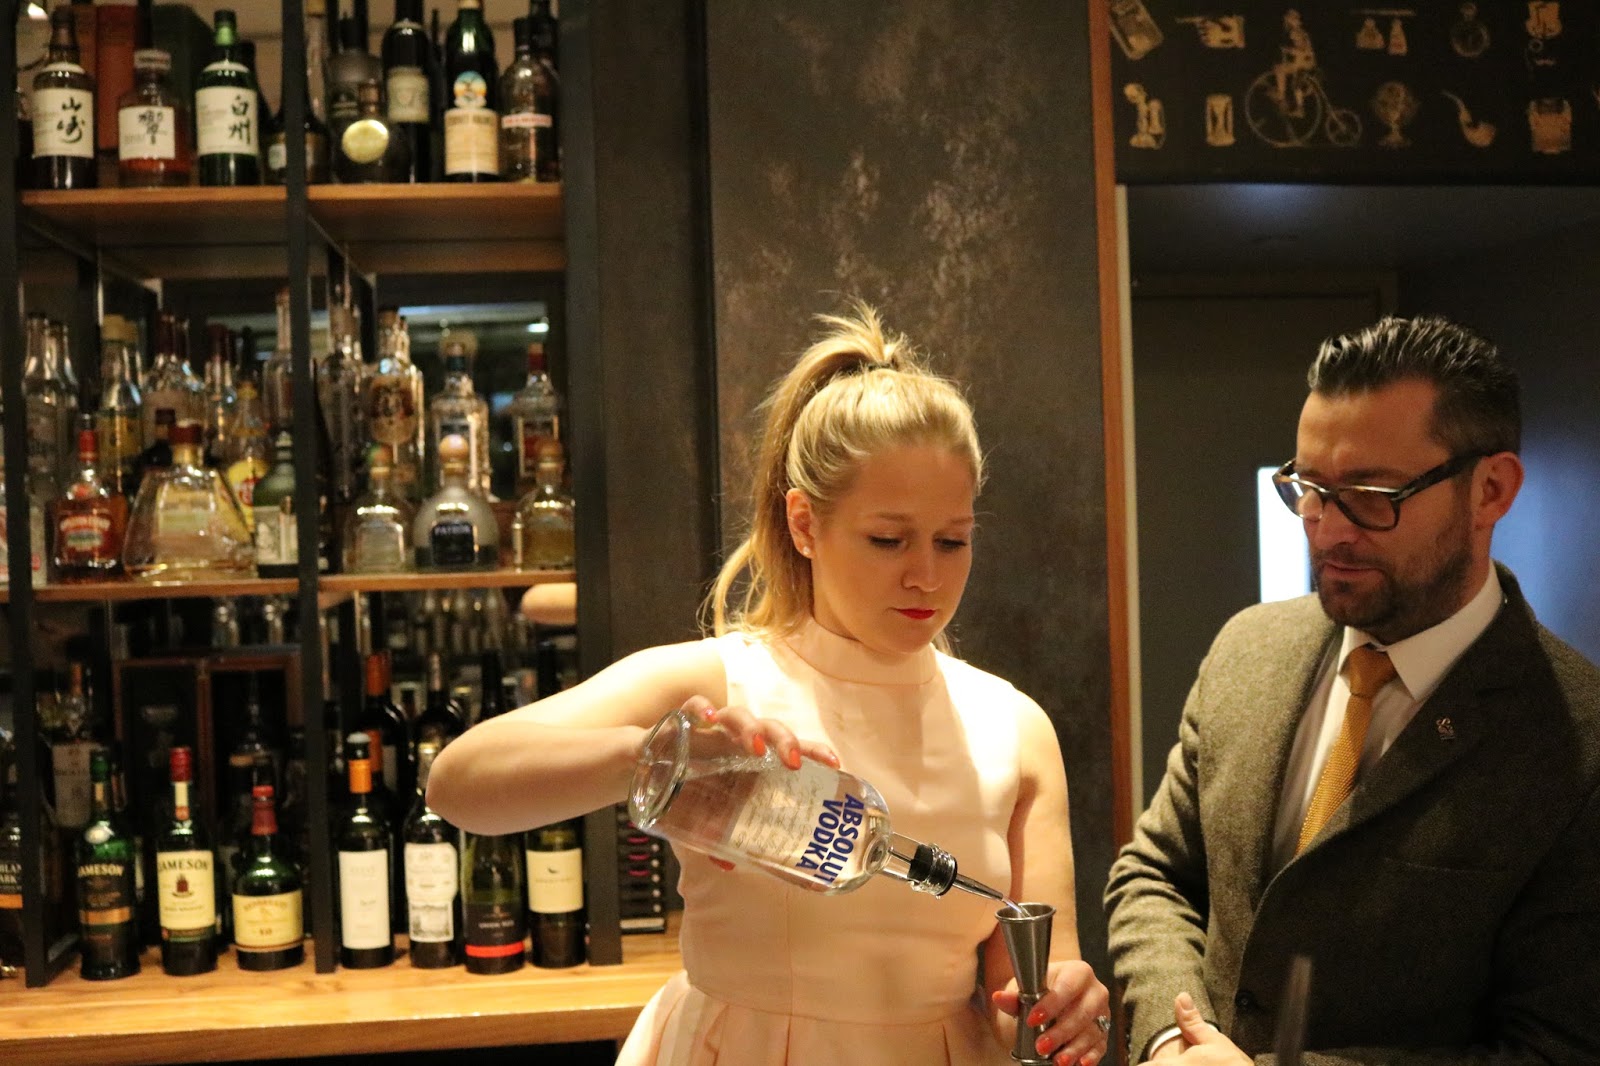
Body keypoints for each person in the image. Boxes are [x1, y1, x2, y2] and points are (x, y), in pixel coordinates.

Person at [429, 305, 1111, 1065]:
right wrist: (657, 759)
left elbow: (1022, 998)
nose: (927, 575)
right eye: (888, 539)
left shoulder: (1014, 728)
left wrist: (1063, 1013)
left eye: (952, 541)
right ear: (805, 524)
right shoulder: (723, 682)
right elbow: (459, 783)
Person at [1105, 315, 1600, 1063]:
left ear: (1491, 490)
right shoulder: (1249, 649)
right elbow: (1156, 876)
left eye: (1372, 494)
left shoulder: (1576, 744)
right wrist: (1174, 1040)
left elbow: (1555, 1047)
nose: (1326, 529)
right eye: (1308, 488)